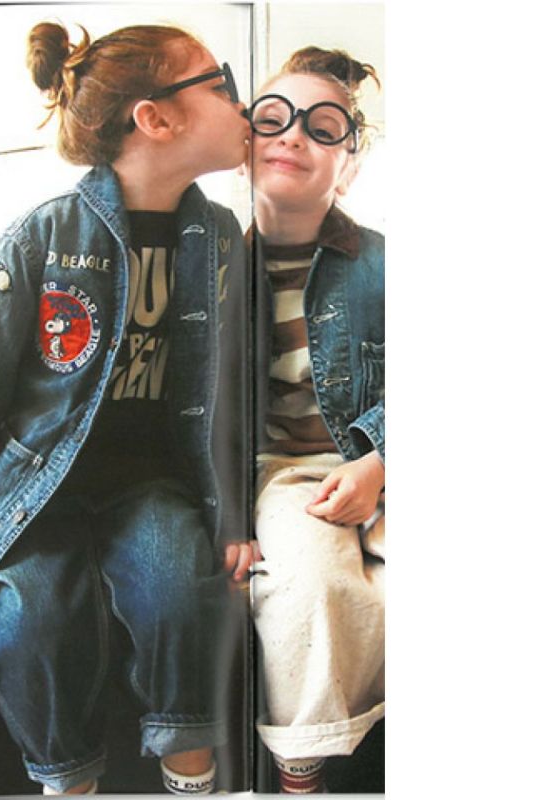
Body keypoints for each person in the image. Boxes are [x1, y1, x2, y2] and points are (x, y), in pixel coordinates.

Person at [0, 21, 254, 796]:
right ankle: (68, 782)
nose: (241, 103)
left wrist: (234, 517)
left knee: (181, 594)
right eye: (221, 84)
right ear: (156, 118)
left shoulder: (221, 238)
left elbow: (229, 394)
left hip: (152, 484)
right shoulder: (44, 236)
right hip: (38, 486)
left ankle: (191, 773)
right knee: (31, 620)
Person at [246, 47, 385, 794]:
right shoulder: (214, 272)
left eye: (322, 127)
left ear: (349, 166)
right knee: (311, 589)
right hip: (288, 473)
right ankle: (301, 774)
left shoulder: (387, 264)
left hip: (380, 457)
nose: (294, 135)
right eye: (273, 119)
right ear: (243, 144)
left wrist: (382, 462)